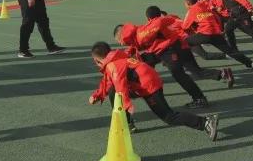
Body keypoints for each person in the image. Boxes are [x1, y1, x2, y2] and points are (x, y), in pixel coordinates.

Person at [89, 42, 219, 140]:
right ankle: (127, 123)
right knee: (113, 92)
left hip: (148, 86)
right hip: (146, 82)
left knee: (169, 117)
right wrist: (97, 95)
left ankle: (205, 122)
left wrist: (127, 105)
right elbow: (109, 82)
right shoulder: (116, 58)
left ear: (96, 60)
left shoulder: (112, 66)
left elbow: (120, 86)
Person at [116, 15, 212, 109]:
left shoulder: (141, 34)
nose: (120, 43)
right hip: (159, 50)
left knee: (178, 74)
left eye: (119, 40)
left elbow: (159, 22)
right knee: (141, 64)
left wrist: (170, 20)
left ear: (122, 35)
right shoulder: (135, 35)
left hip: (169, 49)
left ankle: (199, 98)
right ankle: (136, 89)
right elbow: (136, 46)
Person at [182, 0, 253, 71]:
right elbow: (217, 17)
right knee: (231, 51)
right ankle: (252, 64)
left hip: (205, 34)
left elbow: (184, 27)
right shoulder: (206, 6)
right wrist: (220, 30)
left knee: (183, 43)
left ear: (187, 2)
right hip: (216, 33)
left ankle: (189, 66)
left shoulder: (191, 11)